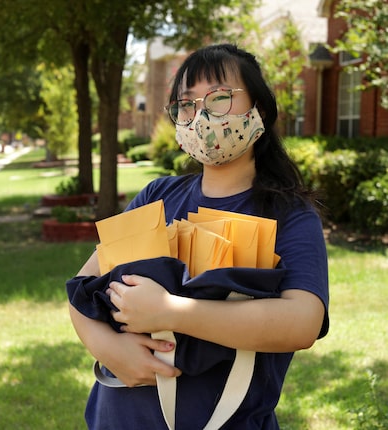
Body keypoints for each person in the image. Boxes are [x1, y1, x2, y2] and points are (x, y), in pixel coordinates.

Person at [68, 43, 329, 429]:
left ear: (259, 108)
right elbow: (82, 287)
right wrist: (108, 348)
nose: (201, 115)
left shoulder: (289, 215)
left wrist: (169, 311)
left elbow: (302, 321)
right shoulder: (157, 197)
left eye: (220, 98)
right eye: (186, 104)